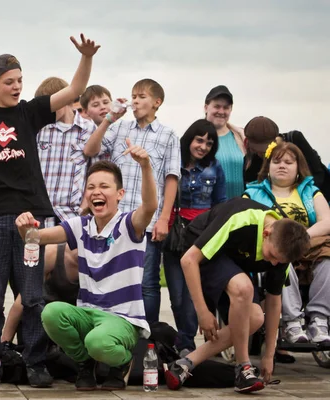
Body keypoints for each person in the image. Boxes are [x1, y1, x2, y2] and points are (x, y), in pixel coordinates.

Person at [0, 33, 100, 388]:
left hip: (31, 220)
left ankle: (35, 361)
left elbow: (74, 89)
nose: (16, 87)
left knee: (31, 294)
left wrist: (86, 58)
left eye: (20, 80)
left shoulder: (29, 111)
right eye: (9, 82)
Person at [17, 155, 157, 391]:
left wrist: (145, 165)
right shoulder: (80, 225)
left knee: (97, 341)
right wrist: (24, 227)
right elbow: (36, 238)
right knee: (51, 313)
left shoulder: (129, 224)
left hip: (123, 319)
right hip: (89, 314)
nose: (96, 192)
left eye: (104, 186)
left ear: (120, 194)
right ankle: (85, 363)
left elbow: (151, 206)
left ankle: (123, 362)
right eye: (91, 187)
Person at [164, 198, 310, 393]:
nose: (274, 264)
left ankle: (184, 364)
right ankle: (243, 368)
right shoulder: (241, 219)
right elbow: (189, 260)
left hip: (232, 263)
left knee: (255, 318)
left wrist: (269, 354)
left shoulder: (282, 247)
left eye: (279, 261)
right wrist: (203, 312)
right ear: (266, 234)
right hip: (199, 252)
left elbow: (274, 302)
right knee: (243, 288)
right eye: (272, 256)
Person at [83, 79, 181, 324]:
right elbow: (90, 149)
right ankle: (112, 328)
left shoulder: (168, 135)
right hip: (113, 220)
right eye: (133, 96)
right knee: (110, 278)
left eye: (141, 96)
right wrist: (109, 119)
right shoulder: (120, 128)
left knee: (146, 282)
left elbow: (171, 178)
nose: (135, 101)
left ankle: (147, 338)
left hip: (145, 221)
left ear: (157, 103)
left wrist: (163, 218)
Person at [244, 142, 330, 345]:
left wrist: (301, 238)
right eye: (277, 161)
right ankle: (292, 321)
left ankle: (319, 319)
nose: (282, 165)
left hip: (309, 245)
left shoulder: (311, 192)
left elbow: (327, 220)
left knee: (327, 259)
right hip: (275, 247)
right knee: (282, 257)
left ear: (298, 167)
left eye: (289, 162)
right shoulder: (253, 193)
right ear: (268, 167)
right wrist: (287, 242)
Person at [162, 119, 226, 356]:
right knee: (176, 294)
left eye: (209, 143)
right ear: (189, 139)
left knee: (191, 294)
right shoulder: (172, 163)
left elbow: (220, 204)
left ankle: (186, 343)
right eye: (199, 140)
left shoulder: (214, 167)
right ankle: (183, 338)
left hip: (201, 234)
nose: (203, 146)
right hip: (174, 234)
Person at [35, 76, 96, 227]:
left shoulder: (89, 129)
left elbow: (94, 171)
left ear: (67, 99)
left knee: (70, 251)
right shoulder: (39, 130)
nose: (48, 110)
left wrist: (84, 207)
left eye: (53, 104)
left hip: (72, 214)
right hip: (41, 213)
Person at [242, 116, 330, 201]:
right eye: (255, 149)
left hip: (312, 199)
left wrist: (304, 197)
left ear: (274, 141)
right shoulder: (250, 161)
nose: (259, 153)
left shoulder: (295, 140)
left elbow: (318, 173)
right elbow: (252, 188)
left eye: (263, 151)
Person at [203, 85, 245, 199]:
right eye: (217, 106)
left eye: (226, 107)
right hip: (211, 210)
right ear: (206, 107)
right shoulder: (196, 139)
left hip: (240, 208)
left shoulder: (241, 137)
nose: (221, 111)